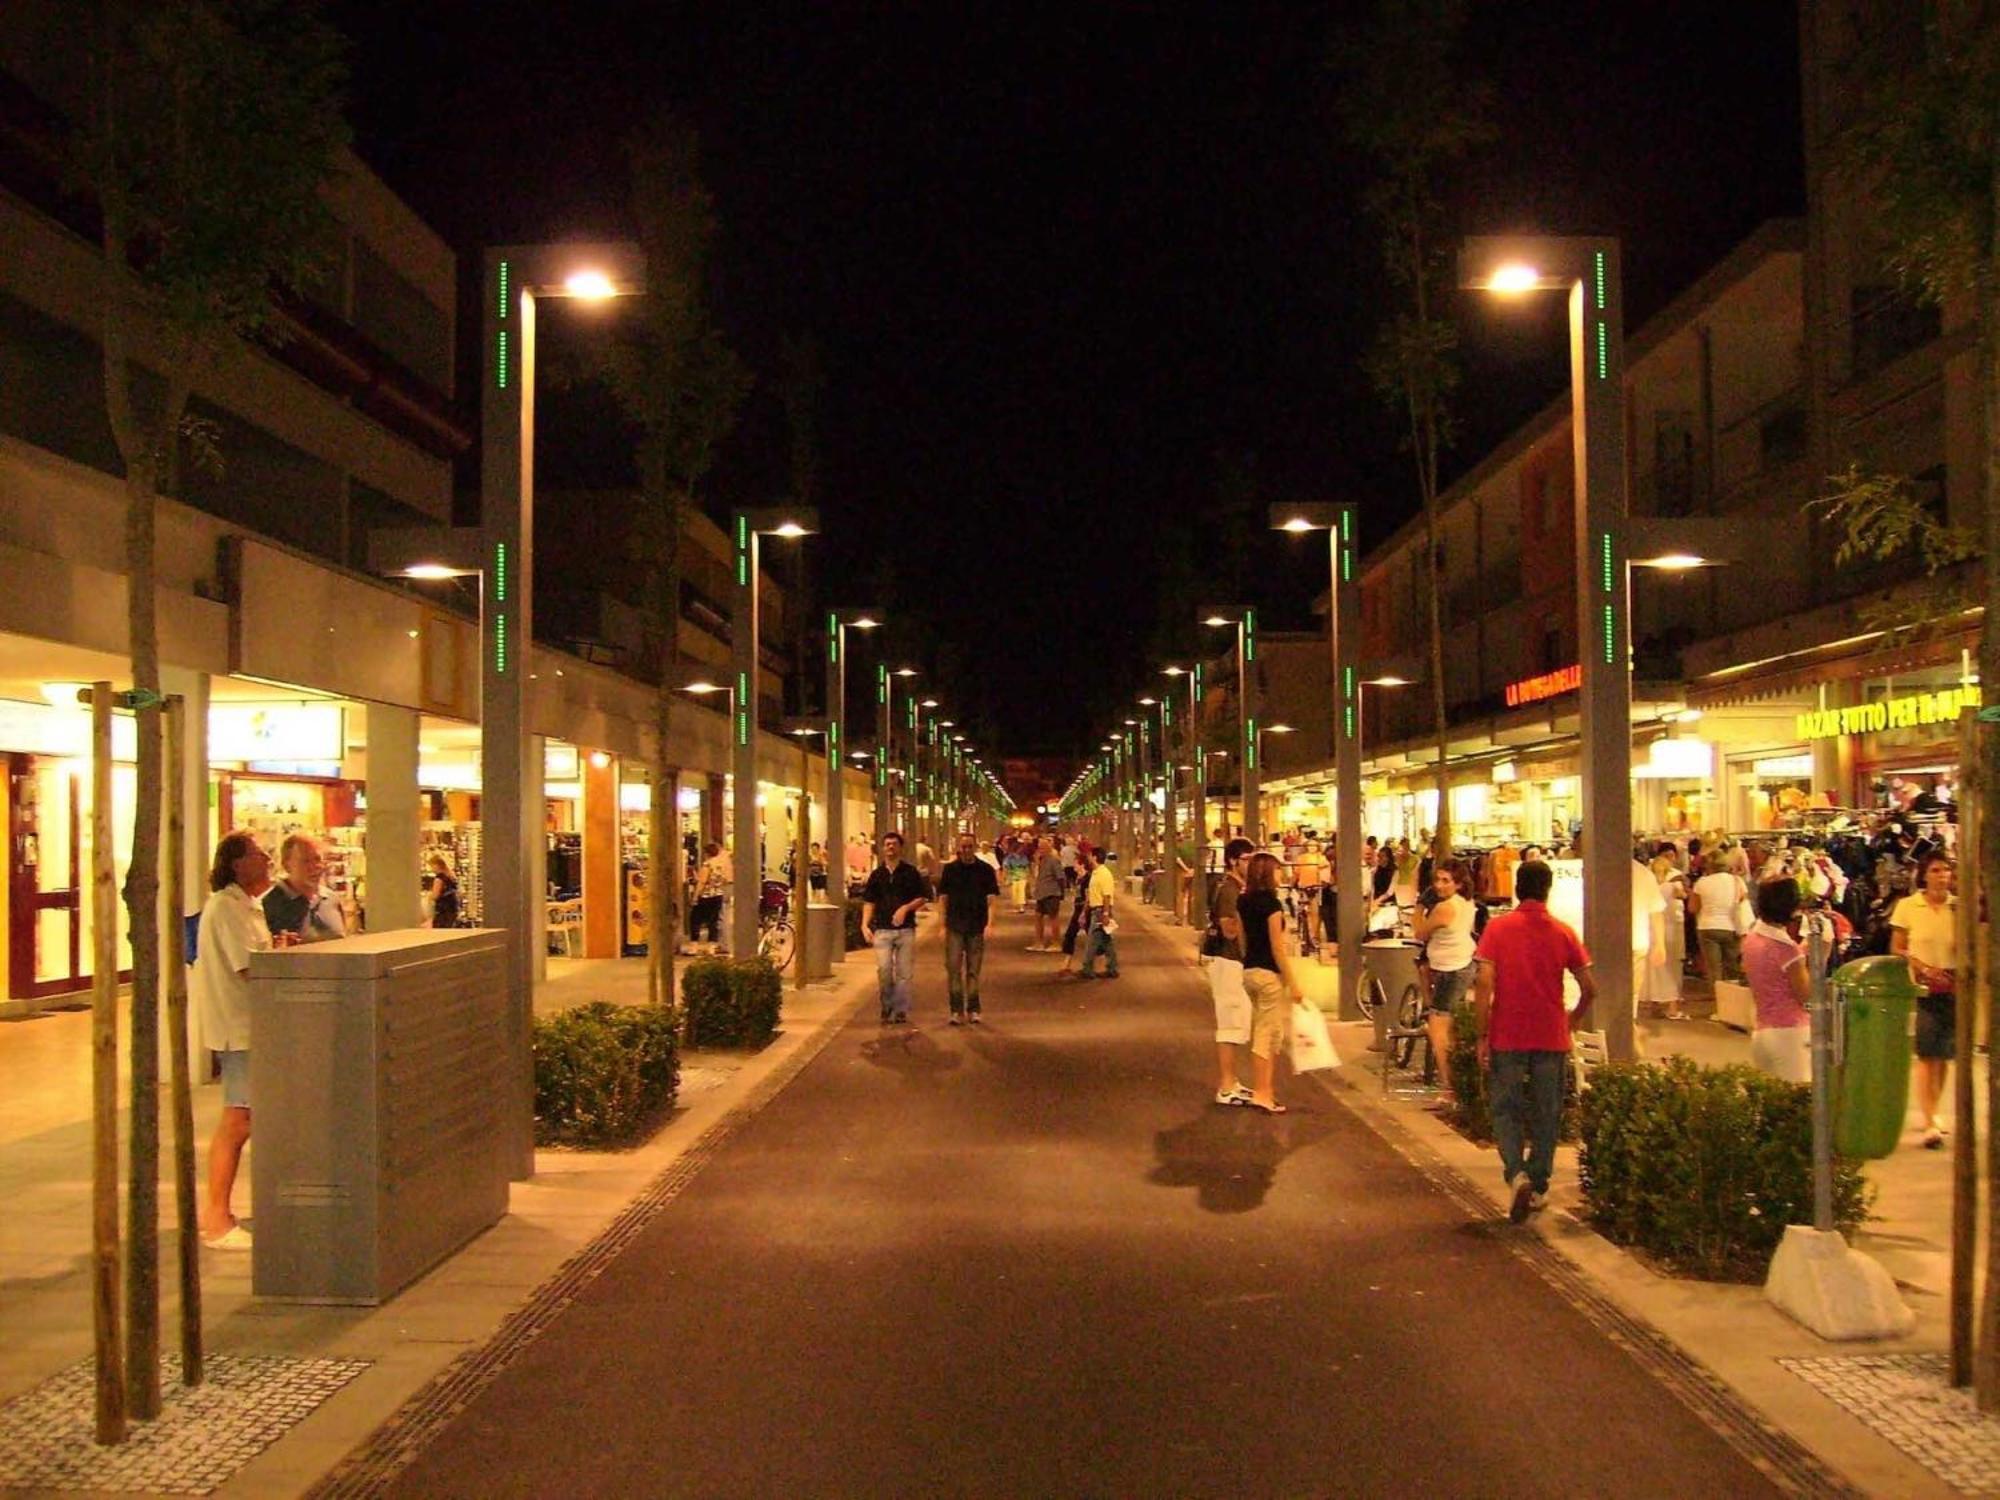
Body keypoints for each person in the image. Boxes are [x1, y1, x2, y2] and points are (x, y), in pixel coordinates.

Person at [1473, 859, 1596, 1224]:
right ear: (1548, 889)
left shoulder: (1498, 930)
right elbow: (1591, 988)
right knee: (1547, 1112)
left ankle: (1517, 1174)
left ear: (1516, 888)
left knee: (1506, 1109)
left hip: (1508, 1033)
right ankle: (1539, 1185)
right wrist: (1570, 1022)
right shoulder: (1563, 932)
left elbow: (1483, 983)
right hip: (1550, 1034)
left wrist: (1482, 1033)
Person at [191, 832, 283, 1249]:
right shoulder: (225, 909)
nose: (267, 861)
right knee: (238, 1120)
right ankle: (216, 1218)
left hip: (253, 1027)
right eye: (260, 855)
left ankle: (221, 1213)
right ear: (236, 864)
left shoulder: (247, 907)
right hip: (239, 1028)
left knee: (246, 1117)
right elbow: (248, 968)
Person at [1893, 854, 1957, 1149]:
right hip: (1922, 985)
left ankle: (1935, 1109)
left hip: (1954, 985)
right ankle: (1929, 1118)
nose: (1942, 875)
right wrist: (1918, 965)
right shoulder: (1908, 907)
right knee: (1926, 1052)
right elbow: (1898, 946)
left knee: (1944, 1054)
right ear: (1924, 875)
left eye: (1946, 870)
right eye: (1935, 870)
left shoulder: (1957, 907)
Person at [1236, 852, 1306, 1114]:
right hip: (1268, 974)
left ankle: (1267, 1090)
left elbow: (1242, 939)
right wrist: (1293, 982)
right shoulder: (1272, 905)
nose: (1281, 875)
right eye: (1277, 870)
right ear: (1268, 873)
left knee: (1270, 1031)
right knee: (1266, 1035)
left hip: (1249, 971)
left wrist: (1248, 960)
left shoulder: (1243, 901)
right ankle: (1262, 1092)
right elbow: (1278, 947)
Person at [1413, 859, 1477, 1107]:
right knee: (1450, 1028)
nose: (1439, 886)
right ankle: (1456, 1084)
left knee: (1438, 1030)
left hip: (1452, 970)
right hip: (1456, 966)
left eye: (1445, 881)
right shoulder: (1466, 903)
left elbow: (1419, 931)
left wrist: (1419, 907)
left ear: (1459, 884)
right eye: (1436, 880)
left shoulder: (1445, 908)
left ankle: (1449, 1088)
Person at [1742, 877, 1811, 1084]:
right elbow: (1807, 996)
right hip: (1790, 1034)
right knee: (1796, 1104)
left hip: (1763, 1032)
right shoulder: (1786, 949)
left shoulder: (1752, 939)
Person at [860, 831, 930, 1025]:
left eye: (894, 844)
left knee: (904, 973)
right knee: (884, 970)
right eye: (887, 844)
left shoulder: (910, 872)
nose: (890, 847)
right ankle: (886, 1005)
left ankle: (900, 1009)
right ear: (882, 849)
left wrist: (906, 908)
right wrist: (864, 925)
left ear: (900, 848)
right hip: (882, 930)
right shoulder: (877, 875)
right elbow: (869, 901)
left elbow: (922, 897)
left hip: (905, 930)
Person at [1210, 836, 1256, 1105]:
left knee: (1237, 1021)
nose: (1250, 864)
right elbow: (1229, 929)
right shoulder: (1229, 890)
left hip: (1232, 962)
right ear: (1232, 861)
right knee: (1230, 1022)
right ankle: (1226, 1086)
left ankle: (1232, 1081)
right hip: (1228, 961)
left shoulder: (1236, 888)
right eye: (1246, 860)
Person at [938, 831, 1000, 1024]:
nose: (966, 850)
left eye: (969, 847)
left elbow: (991, 900)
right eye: (963, 847)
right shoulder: (950, 870)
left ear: (975, 848)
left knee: (973, 970)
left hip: (977, 926)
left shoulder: (985, 870)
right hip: (954, 926)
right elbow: (943, 899)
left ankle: (973, 1008)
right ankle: (956, 1010)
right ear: (959, 847)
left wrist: (990, 924)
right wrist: (942, 925)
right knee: (954, 969)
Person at [262, 833, 346, 943]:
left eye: (317, 859)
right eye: (305, 861)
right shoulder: (270, 903)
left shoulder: (332, 899)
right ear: (286, 865)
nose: (314, 867)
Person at [1689, 847, 1747, 985]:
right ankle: (1733, 996)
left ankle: (1718, 998)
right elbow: (1743, 902)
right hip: (1731, 926)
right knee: (1732, 965)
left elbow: (1693, 908)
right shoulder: (1737, 881)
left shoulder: (1702, 883)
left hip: (1707, 926)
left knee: (1714, 968)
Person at [1077, 843, 1120, 979]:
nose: (1088, 858)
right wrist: (1084, 912)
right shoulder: (1095, 873)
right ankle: (1112, 968)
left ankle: (1087, 968)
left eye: (1090, 855)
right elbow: (1091, 894)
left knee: (1092, 941)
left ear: (1095, 857)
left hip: (1101, 911)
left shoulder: (1104, 874)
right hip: (1097, 910)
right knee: (1107, 942)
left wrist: (1106, 914)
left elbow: (1107, 896)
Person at [688, 841, 729, 954]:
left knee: (695, 920)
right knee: (713, 921)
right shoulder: (721, 866)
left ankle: (694, 946)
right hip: (717, 895)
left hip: (705, 896)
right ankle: (711, 947)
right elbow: (725, 879)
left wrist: (695, 896)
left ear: (707, 853)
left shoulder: (707, 865)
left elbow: (702, 882)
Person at [1030, 835, 1065, 952]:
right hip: (1041, 893)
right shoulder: (1041, 860)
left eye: (1042, 847)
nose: (1040, 849)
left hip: (1051, 893)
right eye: (1039, 847)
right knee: (1038, 917)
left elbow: (1060, 877)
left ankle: (1056, 943)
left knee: (1053, 918)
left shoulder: (1054, 861)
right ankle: (1038, 943)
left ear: (1048, 848)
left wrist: (1061, 892)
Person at [426, 853, 461, 929]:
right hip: (453, 907)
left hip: (443, 910)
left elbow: (436, 895)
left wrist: (429, 896)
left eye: (431, 866)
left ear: (436, 865)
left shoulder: (439, 878)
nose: (431, 869)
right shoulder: (451, 875)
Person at [1002, 839, 1031, 913]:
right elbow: (1005, 866)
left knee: (1021, 891)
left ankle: (1022, 906)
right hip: (1013, 876)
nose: (1021, 850)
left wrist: (1028, 875)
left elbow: (1027, 867)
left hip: (1022, 876)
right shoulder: (1009, 857)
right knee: (1015, 892)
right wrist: (1005, 876)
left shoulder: (1024, 857)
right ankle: (1018, 905)